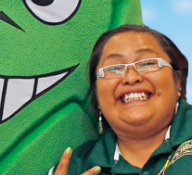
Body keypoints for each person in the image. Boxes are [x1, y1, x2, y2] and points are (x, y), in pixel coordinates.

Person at [49, 24, 190, 175]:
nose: (131, 77)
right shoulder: (75, 167)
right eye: (114, 68)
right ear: (97, 94)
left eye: (147, 63)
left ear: (177, 81)